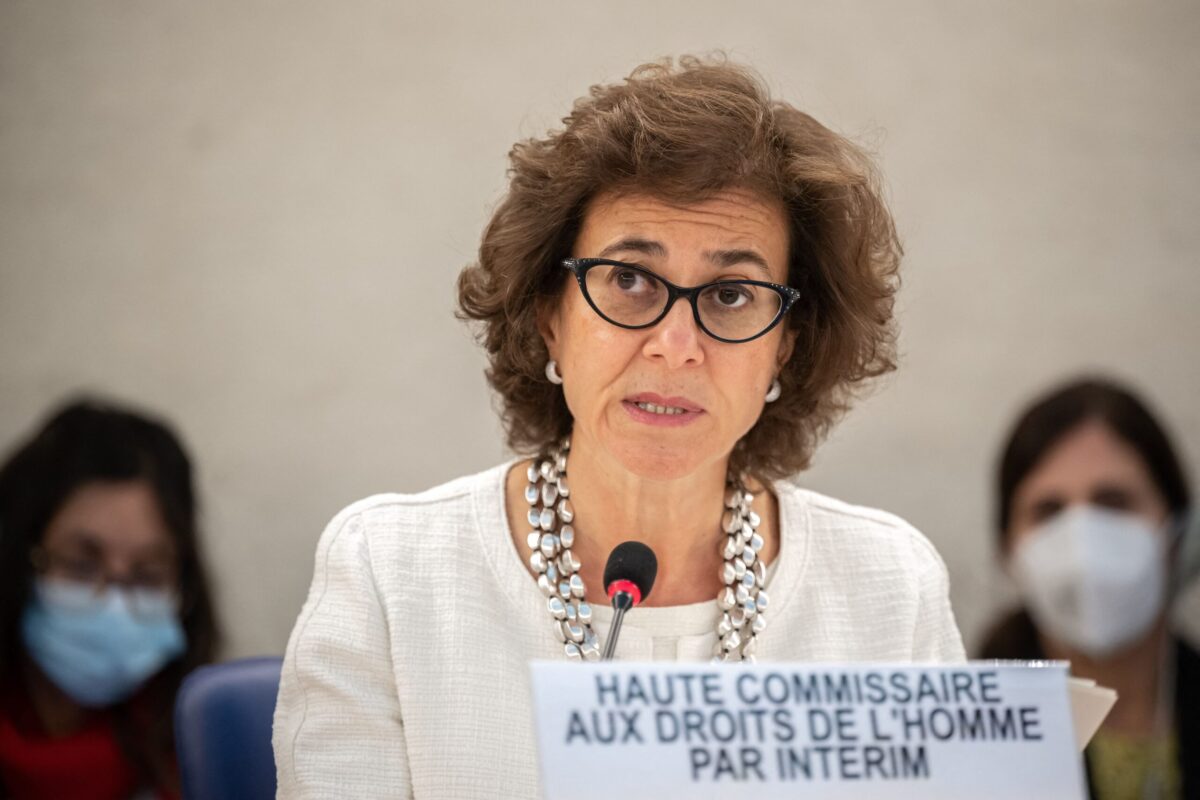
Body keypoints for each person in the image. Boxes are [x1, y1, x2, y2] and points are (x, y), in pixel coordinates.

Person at [273, 55, 965, 798]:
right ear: (550, 317)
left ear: (783, 347)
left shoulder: (887, 585)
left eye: (732, 293)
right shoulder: (391, 573)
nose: (676, 344)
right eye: (631, 280)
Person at [978, 377, 1197, 798]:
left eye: (1113, 501)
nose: (1082, 539)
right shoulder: (961, 730)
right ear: (1009, 550)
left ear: (1175, 534)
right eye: (1049, 511)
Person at [0, 399, 221, 799]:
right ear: (18, 557)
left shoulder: (206, 751)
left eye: (148, 575)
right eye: (81, 565)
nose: (114, 602)